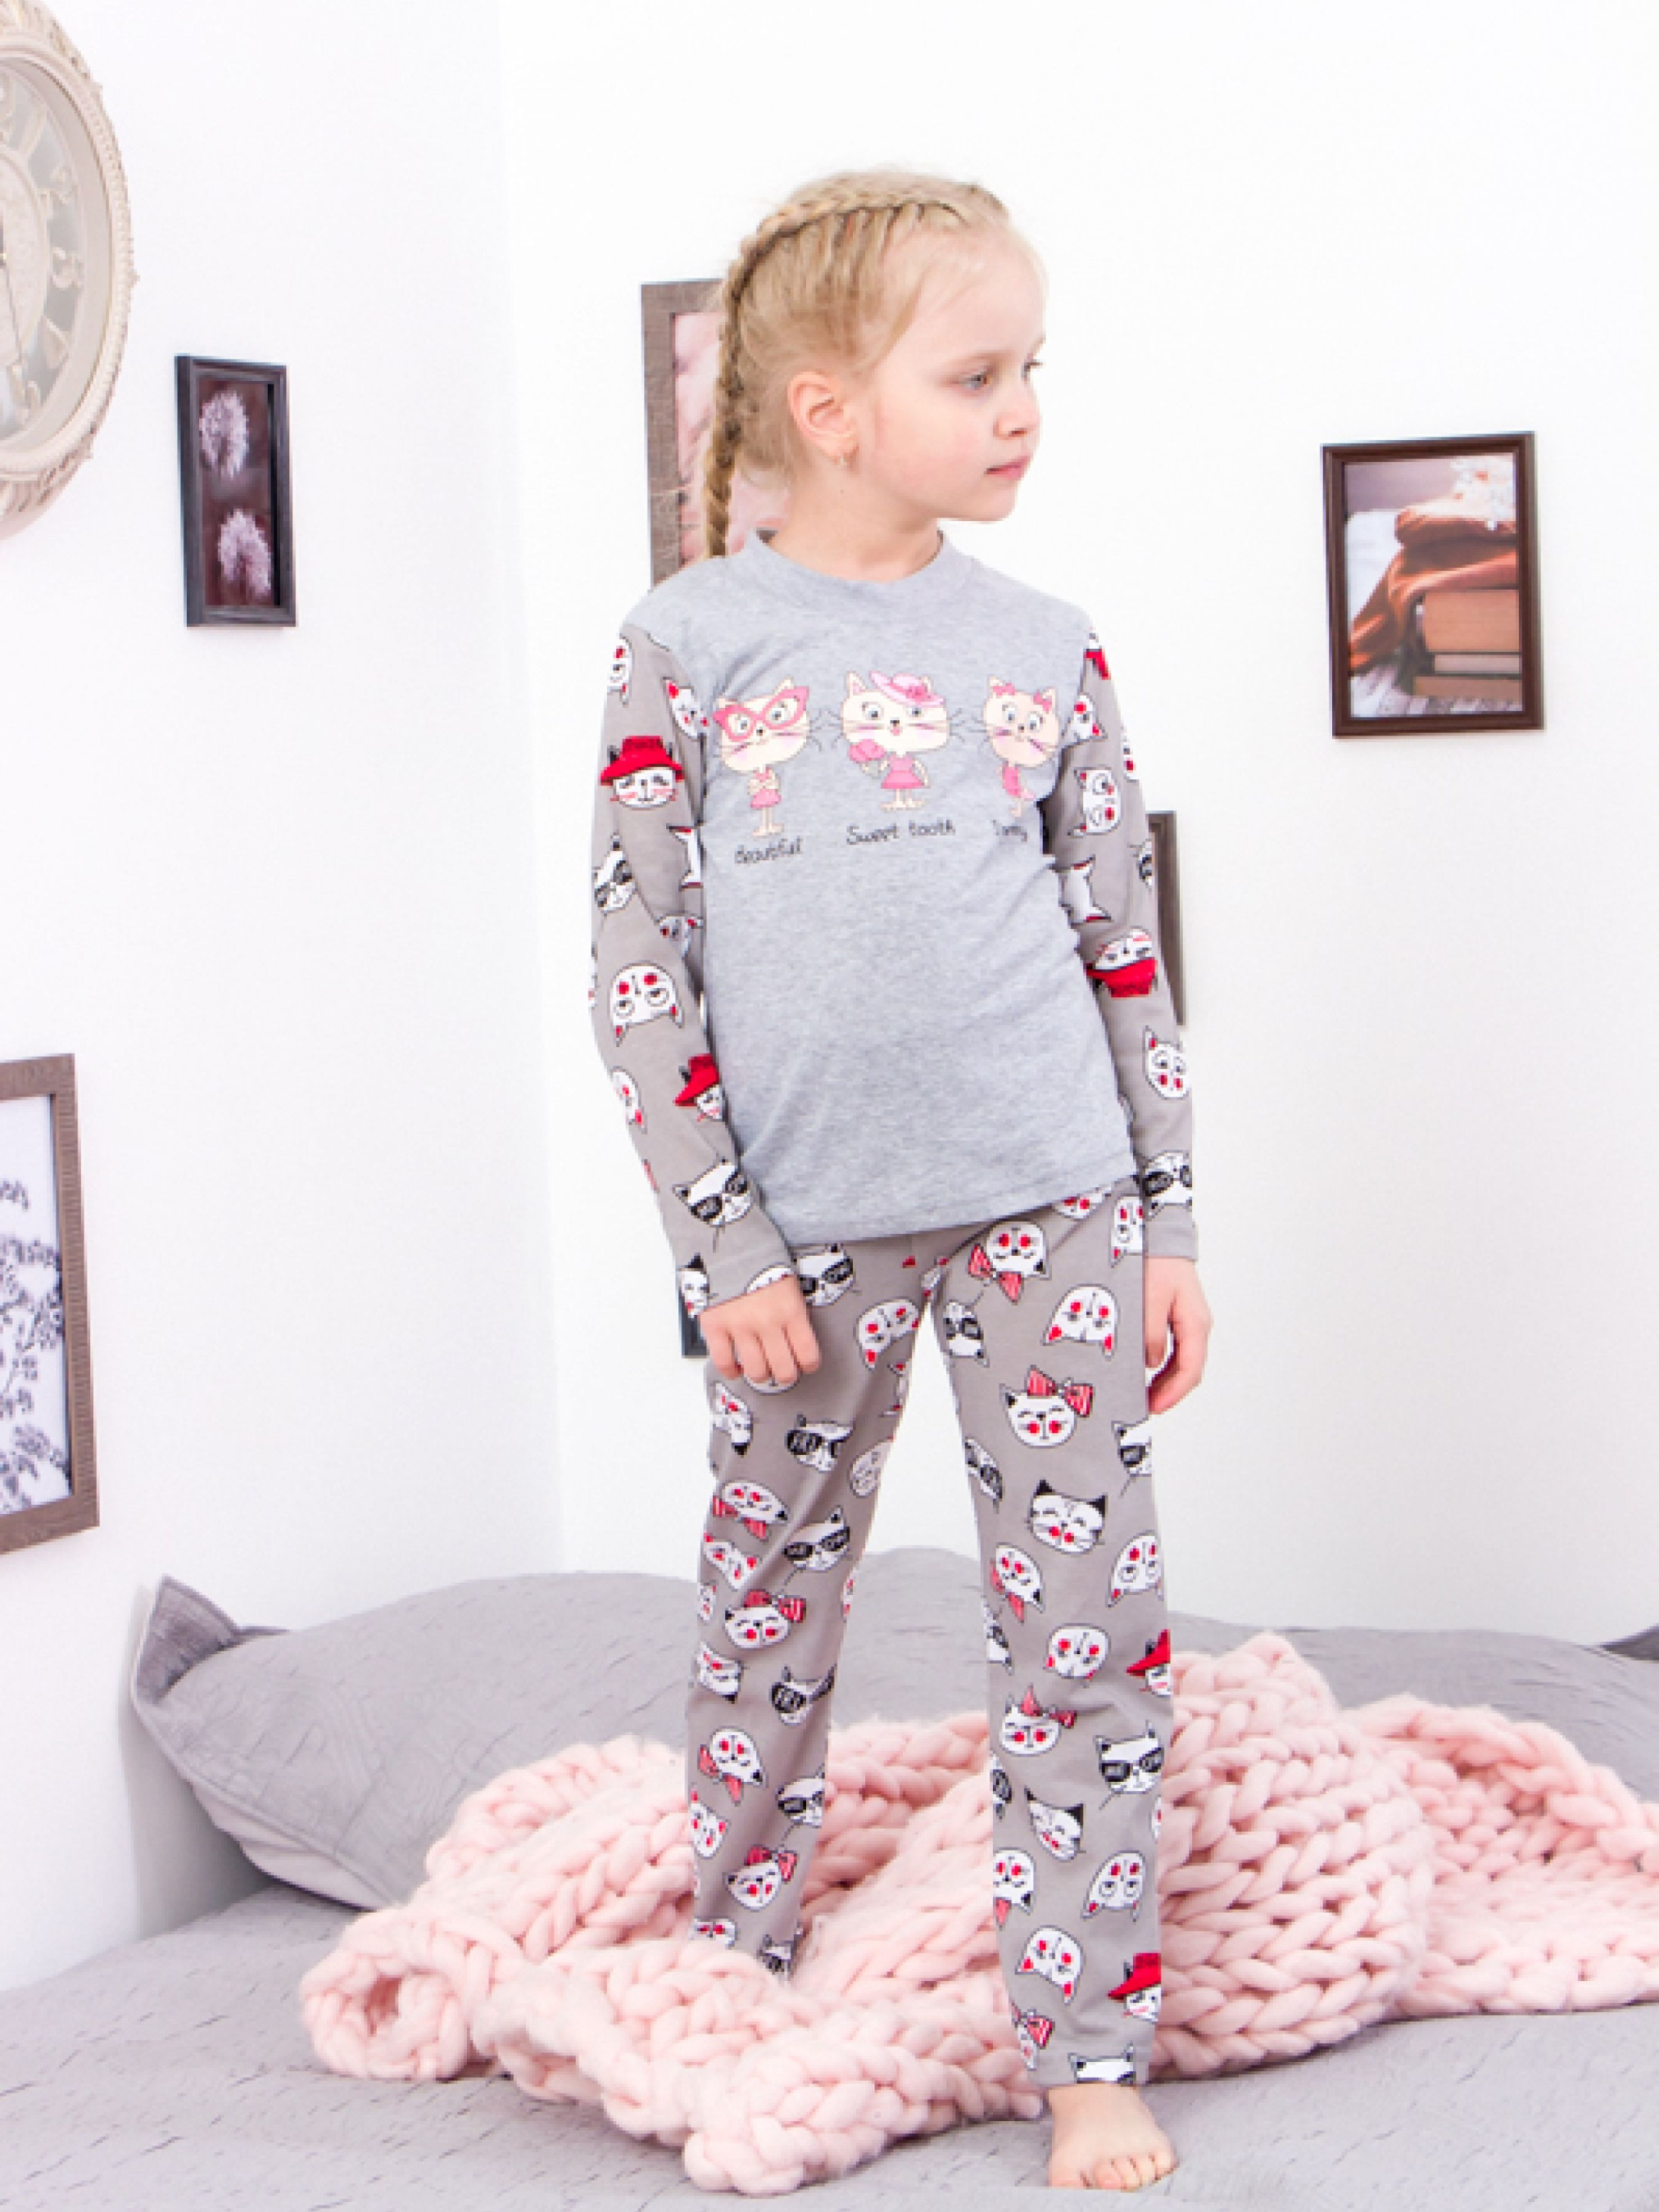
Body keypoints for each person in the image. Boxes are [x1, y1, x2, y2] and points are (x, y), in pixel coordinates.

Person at [587, 166, 1212, 2194]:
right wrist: (720, 1245)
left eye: (1032, 367)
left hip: (1055, 1201)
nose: (1022, 408)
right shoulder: (686, 645)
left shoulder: (1044, 645)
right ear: (830, 410)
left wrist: (1165, 1221)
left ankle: (1087, 2045)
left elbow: (1122, 950)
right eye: (976, 374)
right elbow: (636, 969)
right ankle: (733, 1968)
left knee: (1086, 1634)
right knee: (765, 1609)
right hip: (796, 1243)